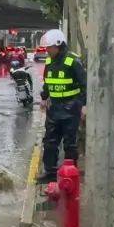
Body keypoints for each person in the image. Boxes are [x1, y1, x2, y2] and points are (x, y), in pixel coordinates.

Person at [37, 29, 87, 184]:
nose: (47, 50)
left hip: (71, 108)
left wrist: (83, 106)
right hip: (54, 108)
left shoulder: (73, 61)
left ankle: (70, 174)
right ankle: (50, 172)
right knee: (50, 142)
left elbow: (85, 85)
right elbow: (48, 82)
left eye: (49, 47)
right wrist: (44, 98)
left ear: (58, 45)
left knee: (70, 143)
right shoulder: (49, 62)